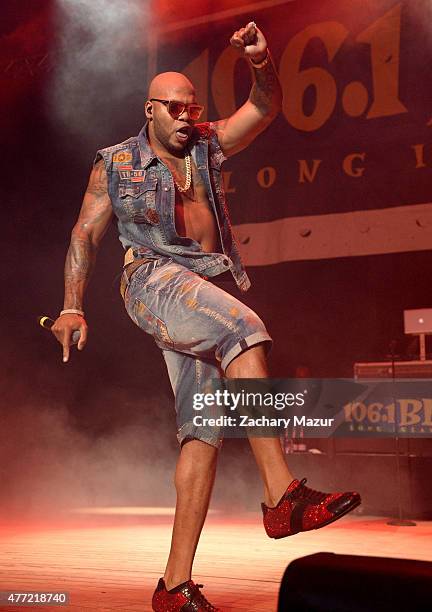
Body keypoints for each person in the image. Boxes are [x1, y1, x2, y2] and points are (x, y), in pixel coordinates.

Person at [52, 22, 361, 612]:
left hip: (200, 283)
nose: (187, 116)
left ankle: (172, 587)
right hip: (150, 278)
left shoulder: (206, 144)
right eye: (175, 107)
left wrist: (263, 61)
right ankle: (282, 496)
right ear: (149, 110)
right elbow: (84, 234)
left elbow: (263, 109)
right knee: (246, 329)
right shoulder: (115, 163)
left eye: (192, 106)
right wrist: (71, 304)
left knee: (204, 431)